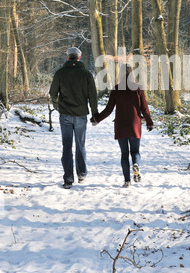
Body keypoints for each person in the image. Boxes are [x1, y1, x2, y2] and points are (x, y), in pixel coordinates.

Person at [91, 64, 153, 187]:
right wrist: (149, 122)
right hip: (135, 124)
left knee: (124, 153)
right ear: (132, 74)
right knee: (135, 151)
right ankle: (136, 164)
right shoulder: (138, 88)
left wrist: (97, 119)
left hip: (121, 125)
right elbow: (144, 108)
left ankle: (127, 181)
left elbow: (108, 110)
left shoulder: (116, 89)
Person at [49, 47, 98, 189]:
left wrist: (58, 107)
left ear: (67, 58)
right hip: (81, 114)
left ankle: (68, 178)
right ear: (79, 57)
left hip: (65, 115)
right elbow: (93, 97)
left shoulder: (60, 73)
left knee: (67, 146)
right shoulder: (86, 74)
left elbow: (53, 94)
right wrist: (95, 114)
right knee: (80, 145)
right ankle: (82, 174)